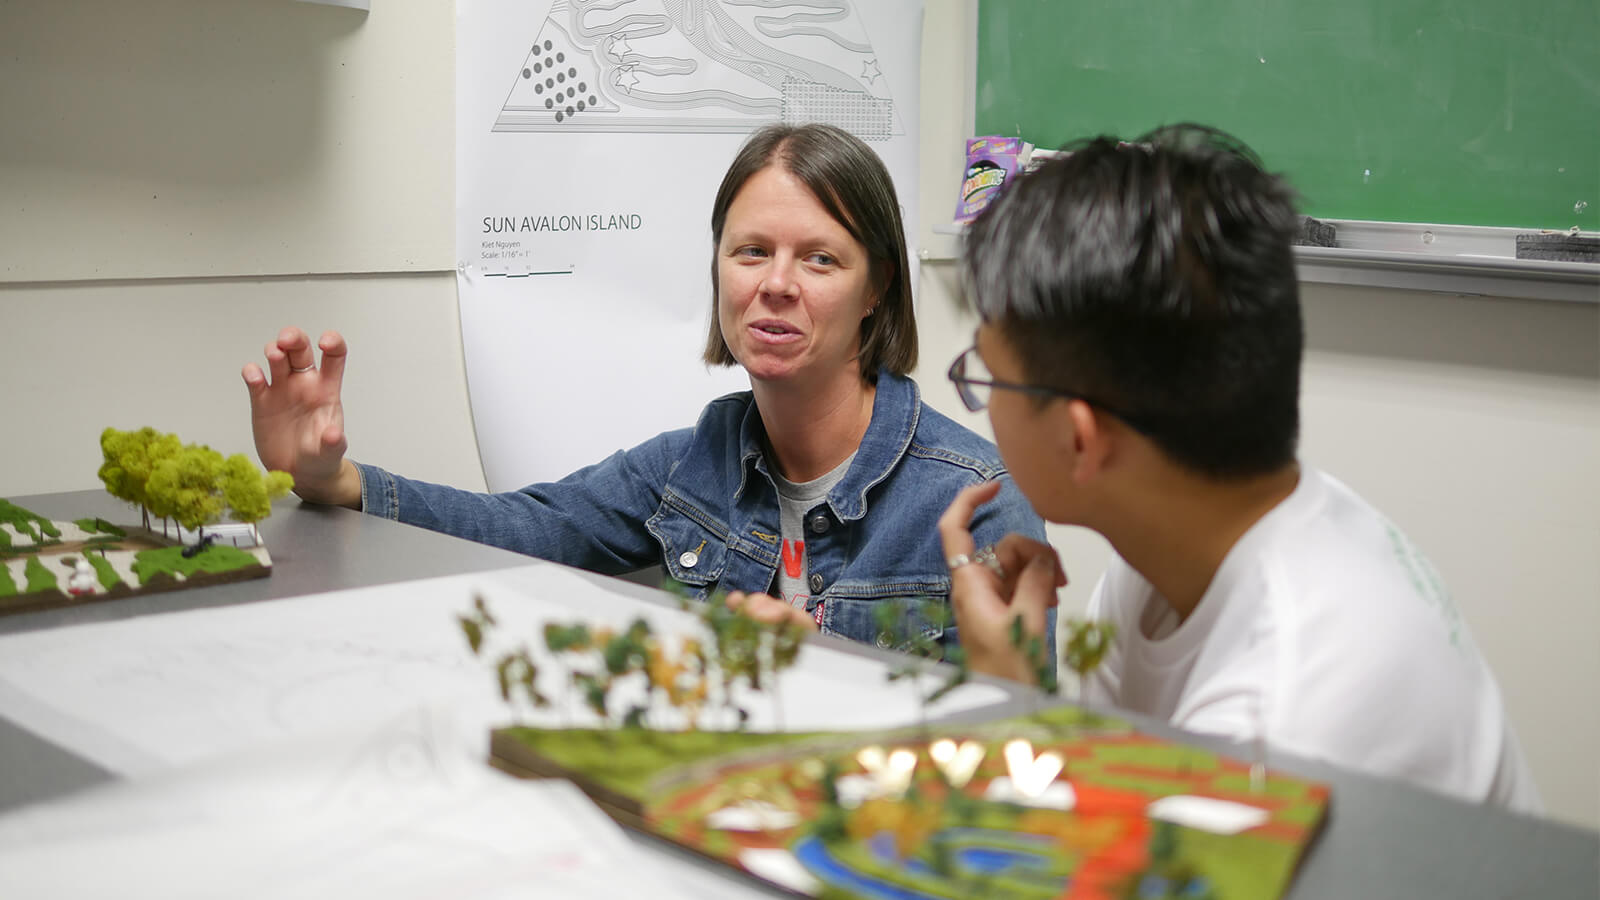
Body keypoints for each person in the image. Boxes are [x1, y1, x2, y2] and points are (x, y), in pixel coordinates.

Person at [243, 122, 1046, 654]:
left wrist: (829, 678)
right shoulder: (693, 464)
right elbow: (519, 527)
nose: (776, 284)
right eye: (751, 251)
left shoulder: (978, 503)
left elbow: (1023, 762)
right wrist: (334, 482)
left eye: (820, 259)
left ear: (877, 290)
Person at [937, 124, 1539, 811]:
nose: (980, 400)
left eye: (986, 374)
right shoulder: (1173, 548)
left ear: (1082, 438)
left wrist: (1009, 709)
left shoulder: (1282, 717)